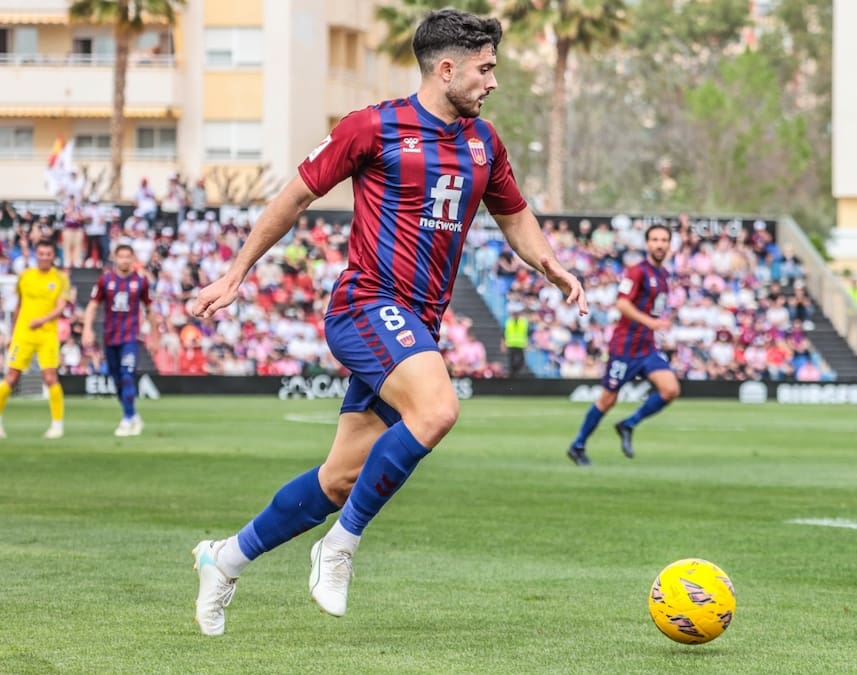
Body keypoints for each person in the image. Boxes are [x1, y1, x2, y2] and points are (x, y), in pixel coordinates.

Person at [188, 9, 587, 637]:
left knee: (341, 477)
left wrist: (551, 265)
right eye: (485, 69)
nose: (493, 82)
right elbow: (293, 197)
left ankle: (224, 558)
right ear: (446, 68)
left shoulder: (485, 143)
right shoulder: (372, 125)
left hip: (416, 325)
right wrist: (236, 273)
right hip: (366, 306)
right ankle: (339, 548)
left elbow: (515, 216)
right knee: (437, 410)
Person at [567, 224, 680, 466]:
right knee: (608, 400)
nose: (660, 244)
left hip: (647, 348)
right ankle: (577, 445)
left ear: (669, 245)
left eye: (664, 240)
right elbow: (622, 304)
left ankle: (628, 424)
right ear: (647, 244)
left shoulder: (664, 276)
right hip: (625, 348)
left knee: (670, 389)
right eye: (655, 239)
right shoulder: (636, 272)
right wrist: (653, 322)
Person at [81, 244, 156, 436]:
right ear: (115, 258)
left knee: (127, 375)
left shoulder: (140, 281)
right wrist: (87, 329)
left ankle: (127, 420)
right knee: (117, 380)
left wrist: (154, 335)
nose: (124, 260)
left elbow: (149, 310)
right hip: (110, 337)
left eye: (127, 257)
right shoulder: (105, 280)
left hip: (130, 337)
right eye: (121, 256)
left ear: (133, 259)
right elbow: (92, 305)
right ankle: (132, 415)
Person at [0, 240, 69, 439]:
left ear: (53, 255)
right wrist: (13, 333)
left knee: (50, 378)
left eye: (48, 253)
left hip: (47, 334)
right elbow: (19, 306)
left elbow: (61, 306)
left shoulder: (60, 278)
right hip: (23, 334)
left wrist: (42, 320)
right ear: (35, 255)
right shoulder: (25, 276)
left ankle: (57, 425)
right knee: (11, 377)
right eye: (41, 253)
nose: (45, 257)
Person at [502, 310, 528, 376]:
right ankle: (512, 376)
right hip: (511, 345)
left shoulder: (523, 322)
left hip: (520, 345)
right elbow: (504, 334)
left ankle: (515, 374)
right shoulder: (508, 322)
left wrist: (526, 344)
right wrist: (503, 344)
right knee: (511, 362)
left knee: (520, 362)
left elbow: (526, 334)